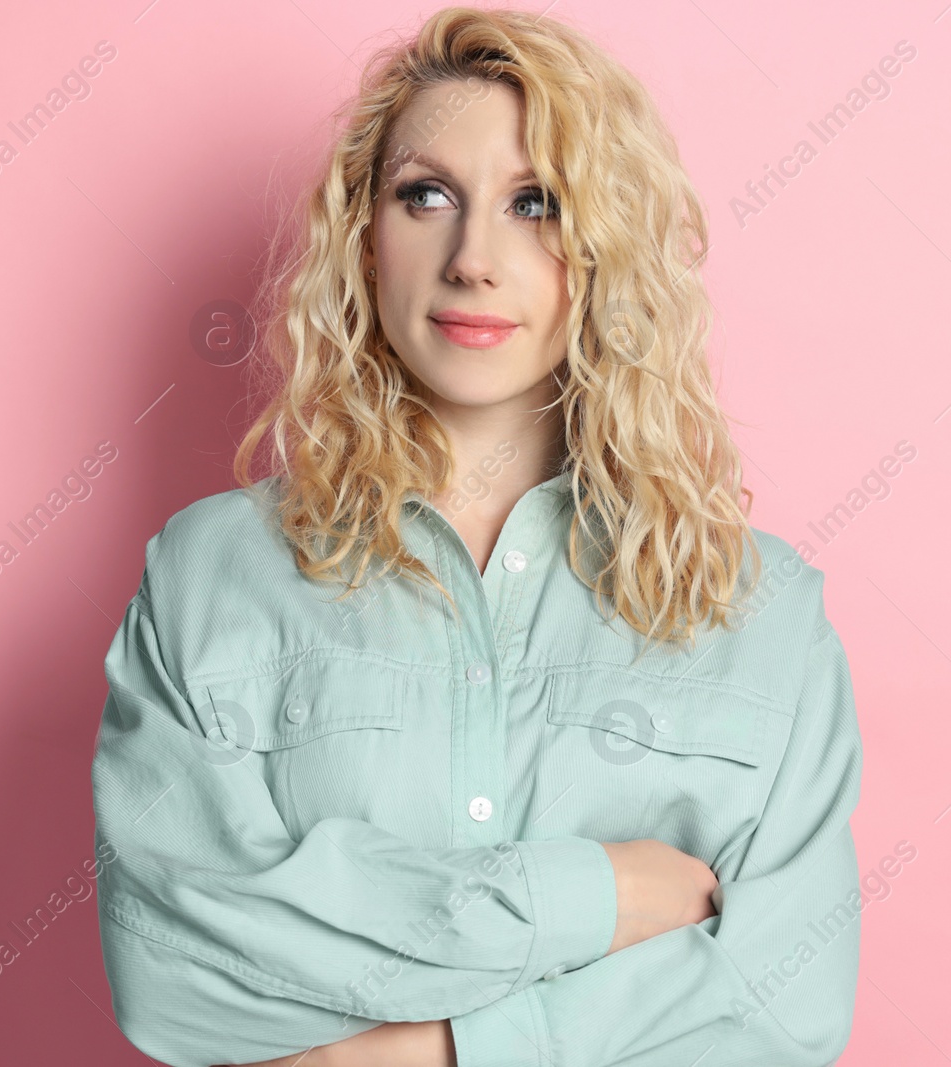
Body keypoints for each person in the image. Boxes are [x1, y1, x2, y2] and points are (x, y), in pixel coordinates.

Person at [89, 7, 863, 1066]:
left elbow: (781, 1010)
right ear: (365, 237)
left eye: (534, 202)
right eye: (427, 195)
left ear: (607, 246)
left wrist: (405, 1051)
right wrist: (594, 897)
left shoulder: (762, 611)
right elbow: (173, 972)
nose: (473, 259)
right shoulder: (207, 575)